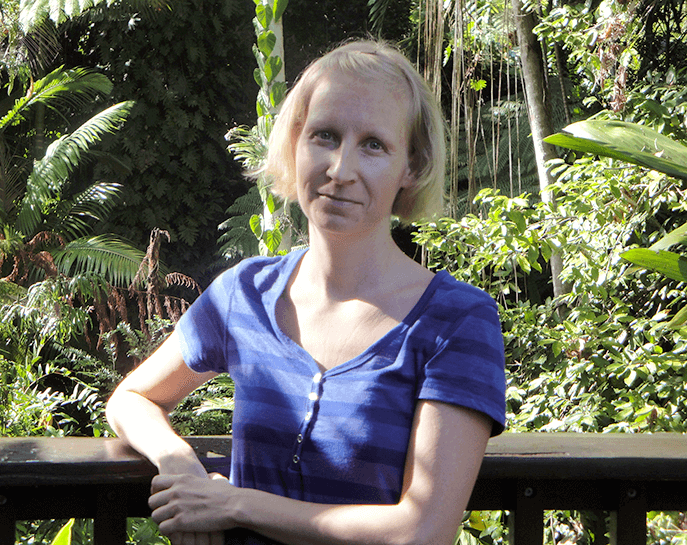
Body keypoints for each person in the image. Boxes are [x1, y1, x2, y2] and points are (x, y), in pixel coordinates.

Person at [106, 39, 506, 545]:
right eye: (325, 136)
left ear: (412, 166)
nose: (340, 169)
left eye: (373, 145)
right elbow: (131, 399)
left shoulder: (456, 320)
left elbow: (423, 531)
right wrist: (178, 462)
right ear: (296, 143)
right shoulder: (245, 293)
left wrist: (235, 505)